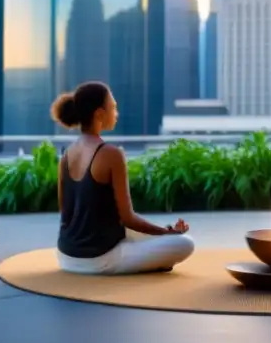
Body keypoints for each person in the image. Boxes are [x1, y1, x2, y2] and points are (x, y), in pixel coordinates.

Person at [53, 81, 195, 275]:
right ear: (99, 114)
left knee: (149, 236)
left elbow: (66, 212)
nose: (116, 113)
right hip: (99, 259)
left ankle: (160, 242)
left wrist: (164, 231)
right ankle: (156, 257)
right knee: (185, 243)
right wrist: (167, 234)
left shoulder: (67, 154)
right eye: (113, 107)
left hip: (66, 256)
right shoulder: (111, 154)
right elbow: (128, 219)